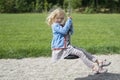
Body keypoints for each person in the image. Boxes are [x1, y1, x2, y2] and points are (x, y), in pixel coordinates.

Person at [46, 8, 111, 74]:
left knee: (83, 50)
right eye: (57, 18)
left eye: (62, 18)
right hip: (62, 49)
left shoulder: (63, 25)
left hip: (67, 47)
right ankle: (94, 68)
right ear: (53, 18)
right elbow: (64, 31)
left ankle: (99, 61)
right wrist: (68, 22)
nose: (60, 20)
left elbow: (71, 32)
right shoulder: (55, 25)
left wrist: (71, 25)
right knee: (80, 53)